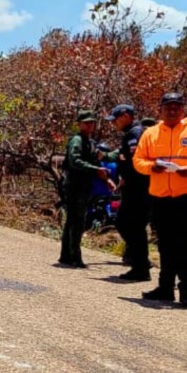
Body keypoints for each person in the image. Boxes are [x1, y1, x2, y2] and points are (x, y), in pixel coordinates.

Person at [133, 92, 187, 309]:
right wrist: (152, 167)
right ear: (160, 109)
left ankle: (186, 290)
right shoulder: (150, 133)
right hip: (161, 197)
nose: (172, 111)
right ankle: (165, 287)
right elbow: (138, 160)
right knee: (165, 245)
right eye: (168, 107)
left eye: (176, 107)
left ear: (183, 109)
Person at [104, 104, 152, 281]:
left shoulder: (135, 134)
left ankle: (140, 264)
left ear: (125, 116)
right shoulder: (130, 134)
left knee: (128, 224)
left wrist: (127, 177)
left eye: (115, 119)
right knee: (130, 225)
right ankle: (140, 263)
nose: (113, 123)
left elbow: (135, 162)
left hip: (138, 188)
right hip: (133, 186)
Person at [59, 111, 109, 268]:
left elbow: (100, 157)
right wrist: (94, 169)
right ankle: (74, 257)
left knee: (73, 220)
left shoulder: (89, 142)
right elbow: (75, 161)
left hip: (83, 185)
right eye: (86, 123)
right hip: (75, 185)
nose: (90, 125)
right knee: (77, 221)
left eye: (92, 123)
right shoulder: (77, 140)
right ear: (79, 124)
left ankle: (67, 255)